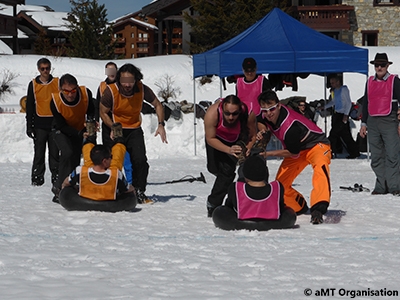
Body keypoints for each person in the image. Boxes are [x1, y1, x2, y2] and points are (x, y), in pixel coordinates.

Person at [256, 90, 331, 224]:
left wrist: (269, 154)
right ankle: (299, 206)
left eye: (271, 109)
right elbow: (259, 120)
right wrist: (263, 130)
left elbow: (293, 152)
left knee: (320, 168)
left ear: (278, 105)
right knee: (280, 185)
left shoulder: (290, 127)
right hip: (297, 148)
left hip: (316, 145)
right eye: (265, 110)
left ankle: (318, 208)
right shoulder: (265, 115)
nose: (269, 114)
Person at [99, 63, 167, 204]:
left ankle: (139, 191)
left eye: (130, 81)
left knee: (140, 160)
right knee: (112, 161)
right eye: (124, 81)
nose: (127, 84)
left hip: (133, 128)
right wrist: (112, 126)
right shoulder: (110, 91)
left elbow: (158, 105)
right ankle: (108, 190)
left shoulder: (142, 89)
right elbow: (103, 112)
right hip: (114, 127)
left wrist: (161, 124)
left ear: (136, 79)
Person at [204, 94, 256, 217]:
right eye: (227, 113)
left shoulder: (248, 113)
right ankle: (224, 186)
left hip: (236, 139)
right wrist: (228, 149)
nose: (231, 117)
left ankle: (213, 204)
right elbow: (210, 138)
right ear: (222, 109)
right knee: (213, 169)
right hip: (216, 139)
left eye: (234, 114)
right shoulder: (212, 113)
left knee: (227, 172)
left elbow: (252, 136)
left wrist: (248, 147)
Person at [359, 53, 400, 196]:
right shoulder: (370, 81)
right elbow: (365, 104)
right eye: (377, 65)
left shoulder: (394, 80)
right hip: (372, 121)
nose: (379, 67)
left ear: (388, 65)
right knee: (376, 156)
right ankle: (381, 186)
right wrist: (363, 123)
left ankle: (395, 185)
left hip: (390, 119)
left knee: (392, 154)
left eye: (382, 65)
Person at [50, 73, 95, 202]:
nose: (70, 94)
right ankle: (58, 188)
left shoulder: (86, 94)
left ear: (77, 88)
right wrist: (80, 134)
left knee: (76, 159)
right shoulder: (55, 101)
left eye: (73, 91)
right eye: (66, 91)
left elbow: (91, 110)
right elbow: (62, 126)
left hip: (79, 128)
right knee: (67, 153)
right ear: (60, 90)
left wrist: (92, 121)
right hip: (61, 130)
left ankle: (71, 185)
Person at [95, 62, 133, 186]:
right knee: (110, 154)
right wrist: (96, 120)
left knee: (125, 154)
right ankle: (112, 179)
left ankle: (129, 182)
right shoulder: (101, 87)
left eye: (113, 70)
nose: (111, 73)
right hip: (107, 125)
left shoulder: (123, 85)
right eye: (108, 70)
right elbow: (97, 107)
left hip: (123, 124)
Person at [62, 135, 134, 201]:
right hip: (110, 204)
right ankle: (119, 142)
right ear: (104, 161)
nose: (111, 159)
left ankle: (89, 139)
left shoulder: (80, 171)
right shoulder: (116, 174)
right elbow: (128, 189)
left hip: (84, 202)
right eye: (110, 157)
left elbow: (65, 183)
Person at [25, 57, 59, 187]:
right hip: (39, 124)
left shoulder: (57, 82)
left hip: (54, 123)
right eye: (42, 69)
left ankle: (56, 178)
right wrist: (29, 126)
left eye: (47, 68)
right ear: (38, 69)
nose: (45, 71)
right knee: (39, 153)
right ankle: (37, 178)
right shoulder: (33, 84)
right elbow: (29, 106)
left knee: (54, 154)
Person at [323, 74, 360, 159]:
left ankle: (329, 151)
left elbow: (348, 103)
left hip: (343, 114)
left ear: (338, 82)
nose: (331, 85)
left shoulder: (344, 89)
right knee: (345, 135)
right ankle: (354, 152)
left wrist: (346, 115)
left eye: (333, 83)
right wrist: (325, 107)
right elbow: (334, 102)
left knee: (333, 134)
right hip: (337, 114)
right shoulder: (335, 91)